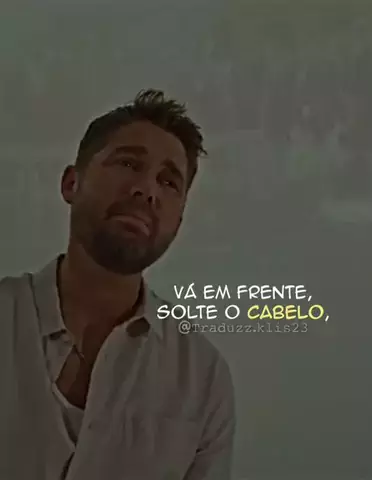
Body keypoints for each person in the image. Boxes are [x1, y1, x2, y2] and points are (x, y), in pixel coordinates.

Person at [0, 89, 235, 480]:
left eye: (169, 182)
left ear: (179, 220)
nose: (147, 190)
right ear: (71, 183)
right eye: (128, 163)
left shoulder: (202, 379)